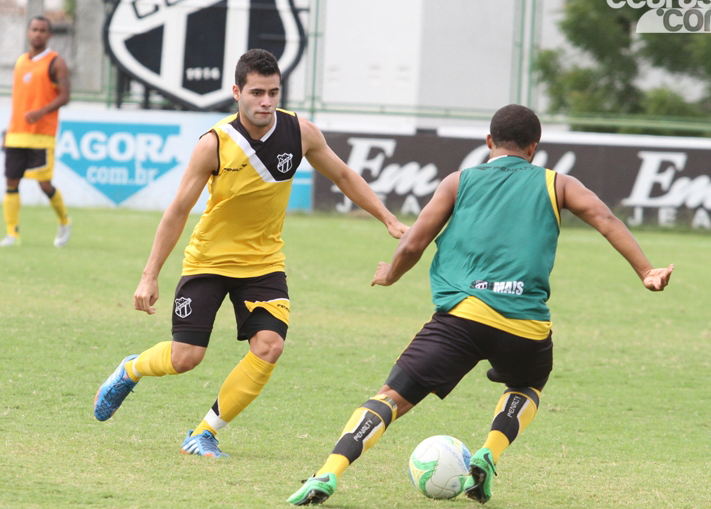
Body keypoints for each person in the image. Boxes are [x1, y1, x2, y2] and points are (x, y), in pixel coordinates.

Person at [287, 104, 674, 506]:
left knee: (390, 397)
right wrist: (646, 270)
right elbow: (605, 217)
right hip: (525, 326)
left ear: (489, 142)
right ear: (534, 148)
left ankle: (328, 474)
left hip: (463, 317)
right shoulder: (557, 183)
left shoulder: (459, 181)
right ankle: (490, 451)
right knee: (526, 385)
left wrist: (390, 275)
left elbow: (414, 242)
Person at [93, 49, 408, 458]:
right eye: (257, 92)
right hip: (209, 261)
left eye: (273, 92)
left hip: (263, 264)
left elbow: (345, 175)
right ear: (237, 92)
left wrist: (387, 219)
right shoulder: (214, 144)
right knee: (186, 357)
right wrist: (149, 274)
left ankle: (204, 432)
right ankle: (131, 369)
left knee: (269, 346)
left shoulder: (300, 132)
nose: (266, 102)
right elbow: (177, 211)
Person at [0, 16, 71, 248]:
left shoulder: (55, 62)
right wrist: (8, 131)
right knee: (11, 182)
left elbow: (65, 96)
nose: (37, 33)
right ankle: (12, 234)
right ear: (28, 33)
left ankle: (64, 220)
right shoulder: (20, 61)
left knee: (44, 185)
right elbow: (19, 100)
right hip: (16, 133)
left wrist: (42, 112)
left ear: (49, 35)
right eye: (34, 29)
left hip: (42, 134)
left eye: (42, 30)